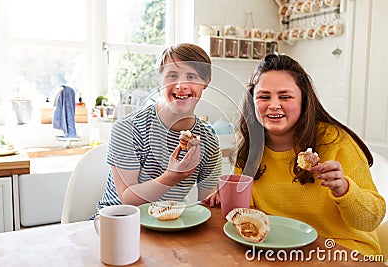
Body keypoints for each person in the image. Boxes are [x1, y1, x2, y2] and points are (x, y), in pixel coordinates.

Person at [233, 54, 386, 255]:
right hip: (280, 250)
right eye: (264, 96)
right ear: (253, 101)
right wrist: (224, 195)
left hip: (342, 251)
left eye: (285, 96)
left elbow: (371, 219)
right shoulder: (251, 149)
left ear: (304, 99)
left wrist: (344, 189)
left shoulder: (335, 142)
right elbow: (246, 214)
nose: (273, 105)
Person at [91, 43, 221, 218]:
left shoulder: (209, 140)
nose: (181, 85)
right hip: (116, 223)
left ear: (206, 83)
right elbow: (127, 199)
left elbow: (206, 203)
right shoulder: (128, 128)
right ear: (160, 80)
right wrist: (171, 177)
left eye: (191, 76)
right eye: (172, 75)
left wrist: (218, 197)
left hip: (167, 225)